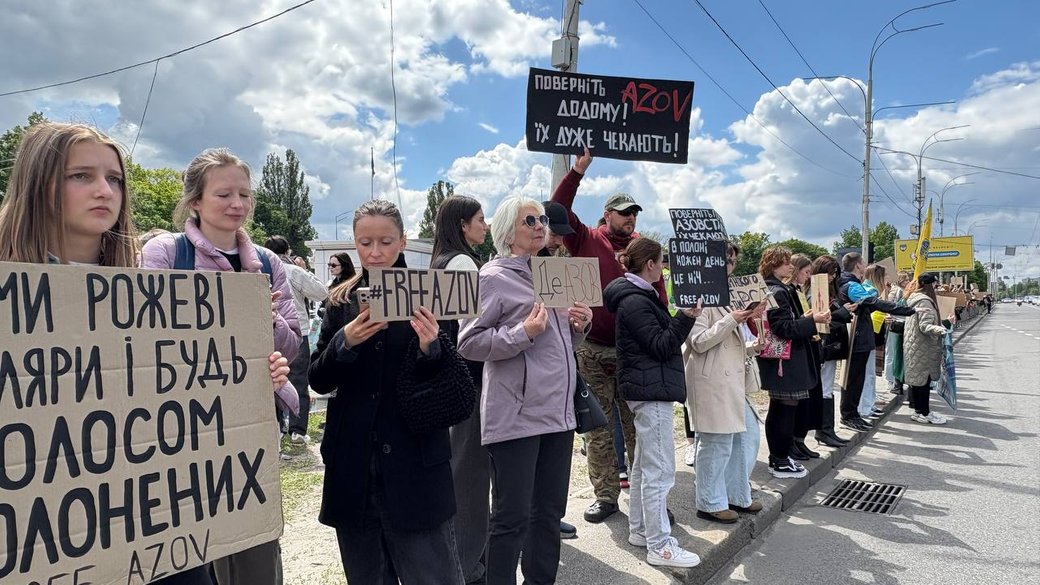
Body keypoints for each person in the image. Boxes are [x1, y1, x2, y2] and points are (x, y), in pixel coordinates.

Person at [2, 123, 290, 585]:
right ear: (39, 183)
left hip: (163, 525)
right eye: (81, 176)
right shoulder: (12, 293)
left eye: (114, 179)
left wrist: (243, 373)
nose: (104, 191)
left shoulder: (144, 289)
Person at [141, 147, 301, 585]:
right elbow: (144, 336)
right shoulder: (165, 253)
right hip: (181, 421)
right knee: (187, 536)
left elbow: (292, 342)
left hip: (251, 414)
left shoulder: (268, 263)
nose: (237, 205)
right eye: (224, 194)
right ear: (195, 201)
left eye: (245, 195)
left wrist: (261, 317)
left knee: (254, 539)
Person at [308, 199, 466, 584]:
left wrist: (432, 345)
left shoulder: (430, 294)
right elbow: (317, 379)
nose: (375, 252)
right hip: (355, 469)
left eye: (385, 241)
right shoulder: (341, 301)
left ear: (403, 241)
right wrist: (344, 343)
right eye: (365, 243)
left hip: (416, 466)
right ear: (354, 243)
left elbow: (448, 377)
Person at [457, 197, 592, 585]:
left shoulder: (555, 275)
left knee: (548, 515)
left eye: (542, 219)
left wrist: (578, 326)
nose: (539, 225)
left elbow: (562, 347)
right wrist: (523, 333)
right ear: (506, 231)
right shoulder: (491, 277)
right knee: (511, 518)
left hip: (558, 413)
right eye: (529, 219)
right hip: (515, 415)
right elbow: (469, 342)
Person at [551, 148, 666, 523]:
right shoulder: (585, 239)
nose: (631, 218)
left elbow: (660, 299)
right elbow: (559, 211)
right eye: (624, 212)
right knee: (598, 430)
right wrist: (577, 172)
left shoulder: (643, 252)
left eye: (635, 213)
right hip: (594, 350)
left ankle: (649, 499)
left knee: (639, 431)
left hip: (635, 356)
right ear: (607, 215)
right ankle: (605, 496)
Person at [603, 237, 701, 567]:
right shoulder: (636, 301)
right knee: (659, 471)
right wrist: (685, 317)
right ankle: (660, 545)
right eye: (661, 262)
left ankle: (641, 530)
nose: (664, 268)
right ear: (650, 264)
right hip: (650, 391)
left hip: (647, 389)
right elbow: (661, 345)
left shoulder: (636, 297)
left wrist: (680, 317)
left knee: (645, 467)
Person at [429, 194, 493, 583]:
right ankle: (470, 567)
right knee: (470, 478)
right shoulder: (465, 263)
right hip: (470, 379)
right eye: (480, 219)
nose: (484, 226)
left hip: (448, 378)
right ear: (463, 225)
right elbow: (475, 329)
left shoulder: (440, 261)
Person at [685, 241, 766, 526]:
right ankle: (709, 501)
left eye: (731, 260)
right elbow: (698, 341)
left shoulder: (729, 294)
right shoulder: (696, 292)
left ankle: (736, 494)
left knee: (744, 438)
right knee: (716, 442)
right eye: (722, 260)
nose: (728, 265)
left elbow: (730, 342)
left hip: (730, 379)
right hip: (710, 380)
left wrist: (754, 345)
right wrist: (732, 320)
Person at [755, 246, 831, 478]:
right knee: (784, 410)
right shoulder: (777, 291)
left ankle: (780, 457)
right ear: (774, 264)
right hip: (785, 361)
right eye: (786, 262)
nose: (790, 266)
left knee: (781, 409)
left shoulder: (772, 288)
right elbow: (782, 327)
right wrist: (812, 321)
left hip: (783, 360)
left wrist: (806, 319)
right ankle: (779, 459)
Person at [836, 253, 914, 432]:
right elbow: (874, 303)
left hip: (861, 336)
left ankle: (853, 414)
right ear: (858, 265)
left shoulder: (853, 284)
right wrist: (908, 311)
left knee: (859, 378)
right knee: (854, 379)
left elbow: (871, 303)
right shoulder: (851, 286)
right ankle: (848, 415)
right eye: (863, 262)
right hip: (856, 337)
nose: (865, 265)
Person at [265, 235, 329, 443]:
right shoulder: (293, 271)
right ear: (288, 251)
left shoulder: (257, 269)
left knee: (267, 381)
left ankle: (276, 427)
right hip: (295, 331)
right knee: (298, 379)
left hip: (266, 332)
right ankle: (297, 429)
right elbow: (321, 292)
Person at [808, 255, 854, 448]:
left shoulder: (828, 290)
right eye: (829, 272)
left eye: (835, 273)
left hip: (832, 344)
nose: (832, 276)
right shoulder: (815, 291)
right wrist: (841, 313)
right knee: (825, 387)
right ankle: (824, 430)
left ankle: (828, 429)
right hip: (824, 345)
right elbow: (818, 318)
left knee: (828, 387)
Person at [902, 273, 954, 425]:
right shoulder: (925, 301)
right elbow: (925, 326)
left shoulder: (914, 298)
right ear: (930, 285)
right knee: (924, 382)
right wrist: (942, 330)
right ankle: (924, 413)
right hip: (923, 347)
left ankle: (919, 412)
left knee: (919, 382)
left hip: (915, 346)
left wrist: (944, 324)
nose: (937, 289)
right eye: (935, 285)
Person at [860, 263, 890, 421]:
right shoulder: (868, 290)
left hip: (875, 332)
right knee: (866, 373)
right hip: (869, 332)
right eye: (884, 276)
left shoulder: (875, 290)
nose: (886, 279)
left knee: (871, 373)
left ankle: (869, 404)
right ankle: (864, 407)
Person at [885, 271, 911, 394]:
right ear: (900, 280)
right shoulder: (896, 291)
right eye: (906, 280)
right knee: (892, 352)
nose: (908, 282)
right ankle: (891, 380)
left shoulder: (905, 291)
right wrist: (889, 317)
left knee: (897, 353)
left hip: (901, 324)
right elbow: (889, 306)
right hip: (895, 325)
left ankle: (897, 380)